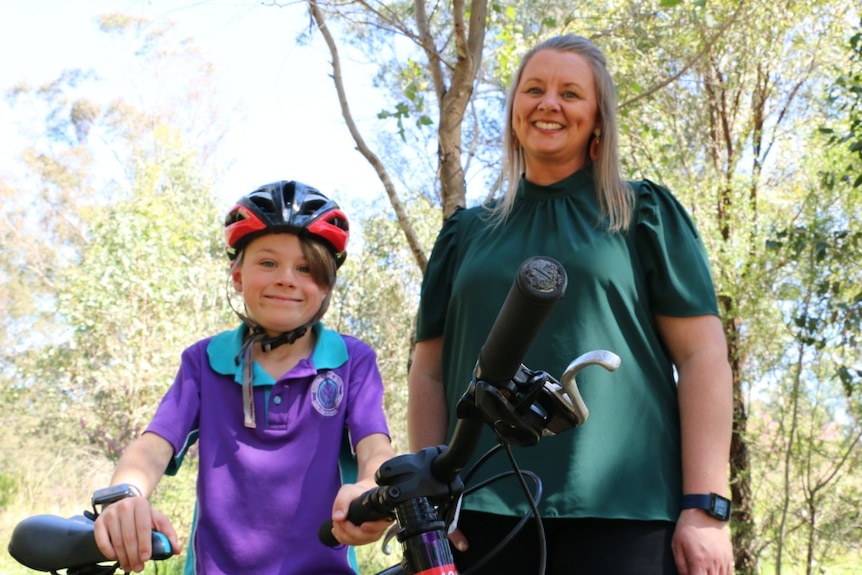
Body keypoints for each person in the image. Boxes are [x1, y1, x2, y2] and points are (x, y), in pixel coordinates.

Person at [408, 34, 734, 575]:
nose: (548, 103)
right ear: (514, 111)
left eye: (570, 93)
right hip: (480, 510)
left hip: (627, 514)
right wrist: (432, 490)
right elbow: (429, 373)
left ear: (598, 117)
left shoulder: (642, 215)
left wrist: (705, 507)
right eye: (533, 89)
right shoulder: (465, 234)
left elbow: (702, 358)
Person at [93, 180, 395, 574]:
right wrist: (125, 496)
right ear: (237, 275)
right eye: (267, 263)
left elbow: (375, 447)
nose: (287, 278)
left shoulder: (352, 360)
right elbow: (153, 446)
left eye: (306, 268)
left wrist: (372, 486)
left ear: (326, 285)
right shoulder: (204, 360)